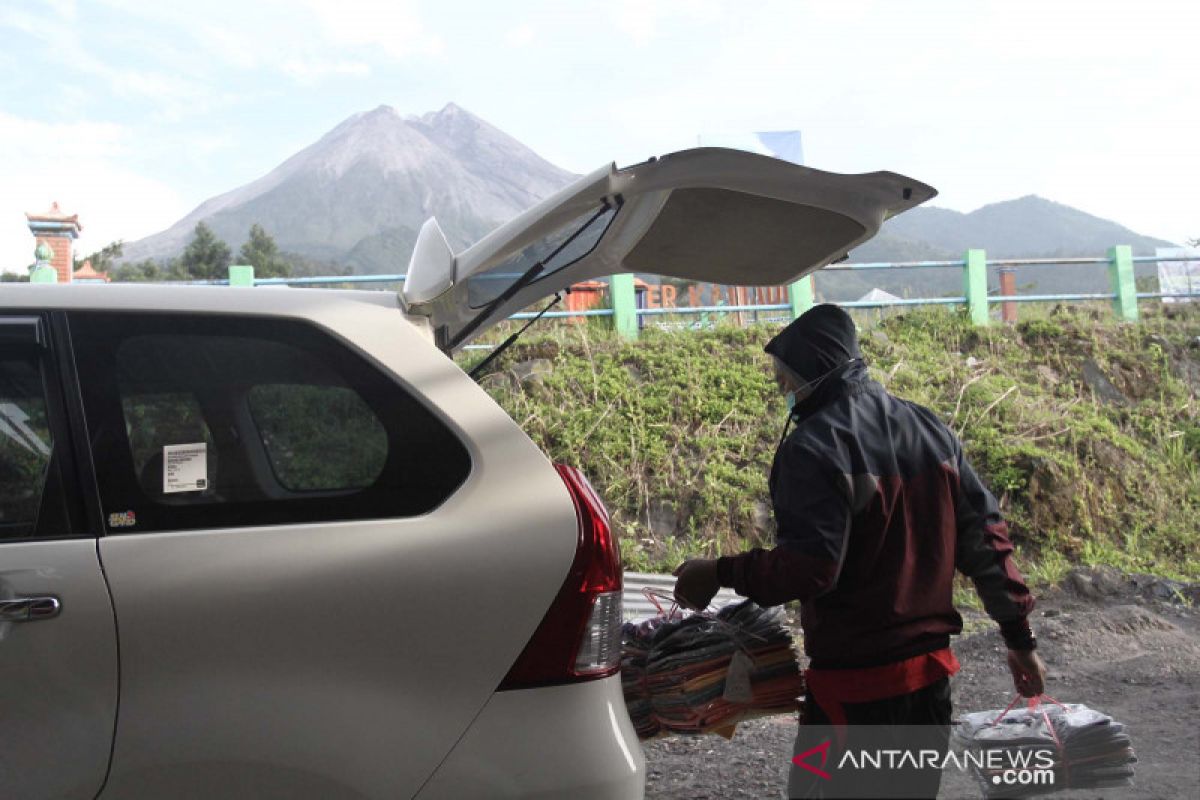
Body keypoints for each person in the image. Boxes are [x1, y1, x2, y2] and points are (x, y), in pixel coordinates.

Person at [672, 304, 1046, 799]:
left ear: (817, 371)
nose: (784, 389)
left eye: (787, 377)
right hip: (929, 686)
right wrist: (1019, 640)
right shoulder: (929, 428)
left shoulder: (813, 447)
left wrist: (718, 571)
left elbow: (810, 569)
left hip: (853, 693)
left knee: (812, 792)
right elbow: (987, 540)